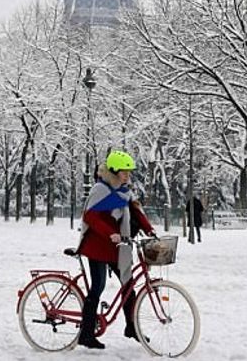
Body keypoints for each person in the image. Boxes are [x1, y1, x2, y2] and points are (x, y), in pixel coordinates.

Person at [77, 150, 157, 350]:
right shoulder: (100, 189)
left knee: (128, 285)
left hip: (117, 246)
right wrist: (109, 233)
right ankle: (86, 334)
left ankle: (131, 327)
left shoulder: (124, 191)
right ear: (113, 170)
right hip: (97, 245)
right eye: (124, 171)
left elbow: (136, 212)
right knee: (98, 287)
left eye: (129, 172)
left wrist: (149, 229)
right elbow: (90, 217)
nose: (127, 175)